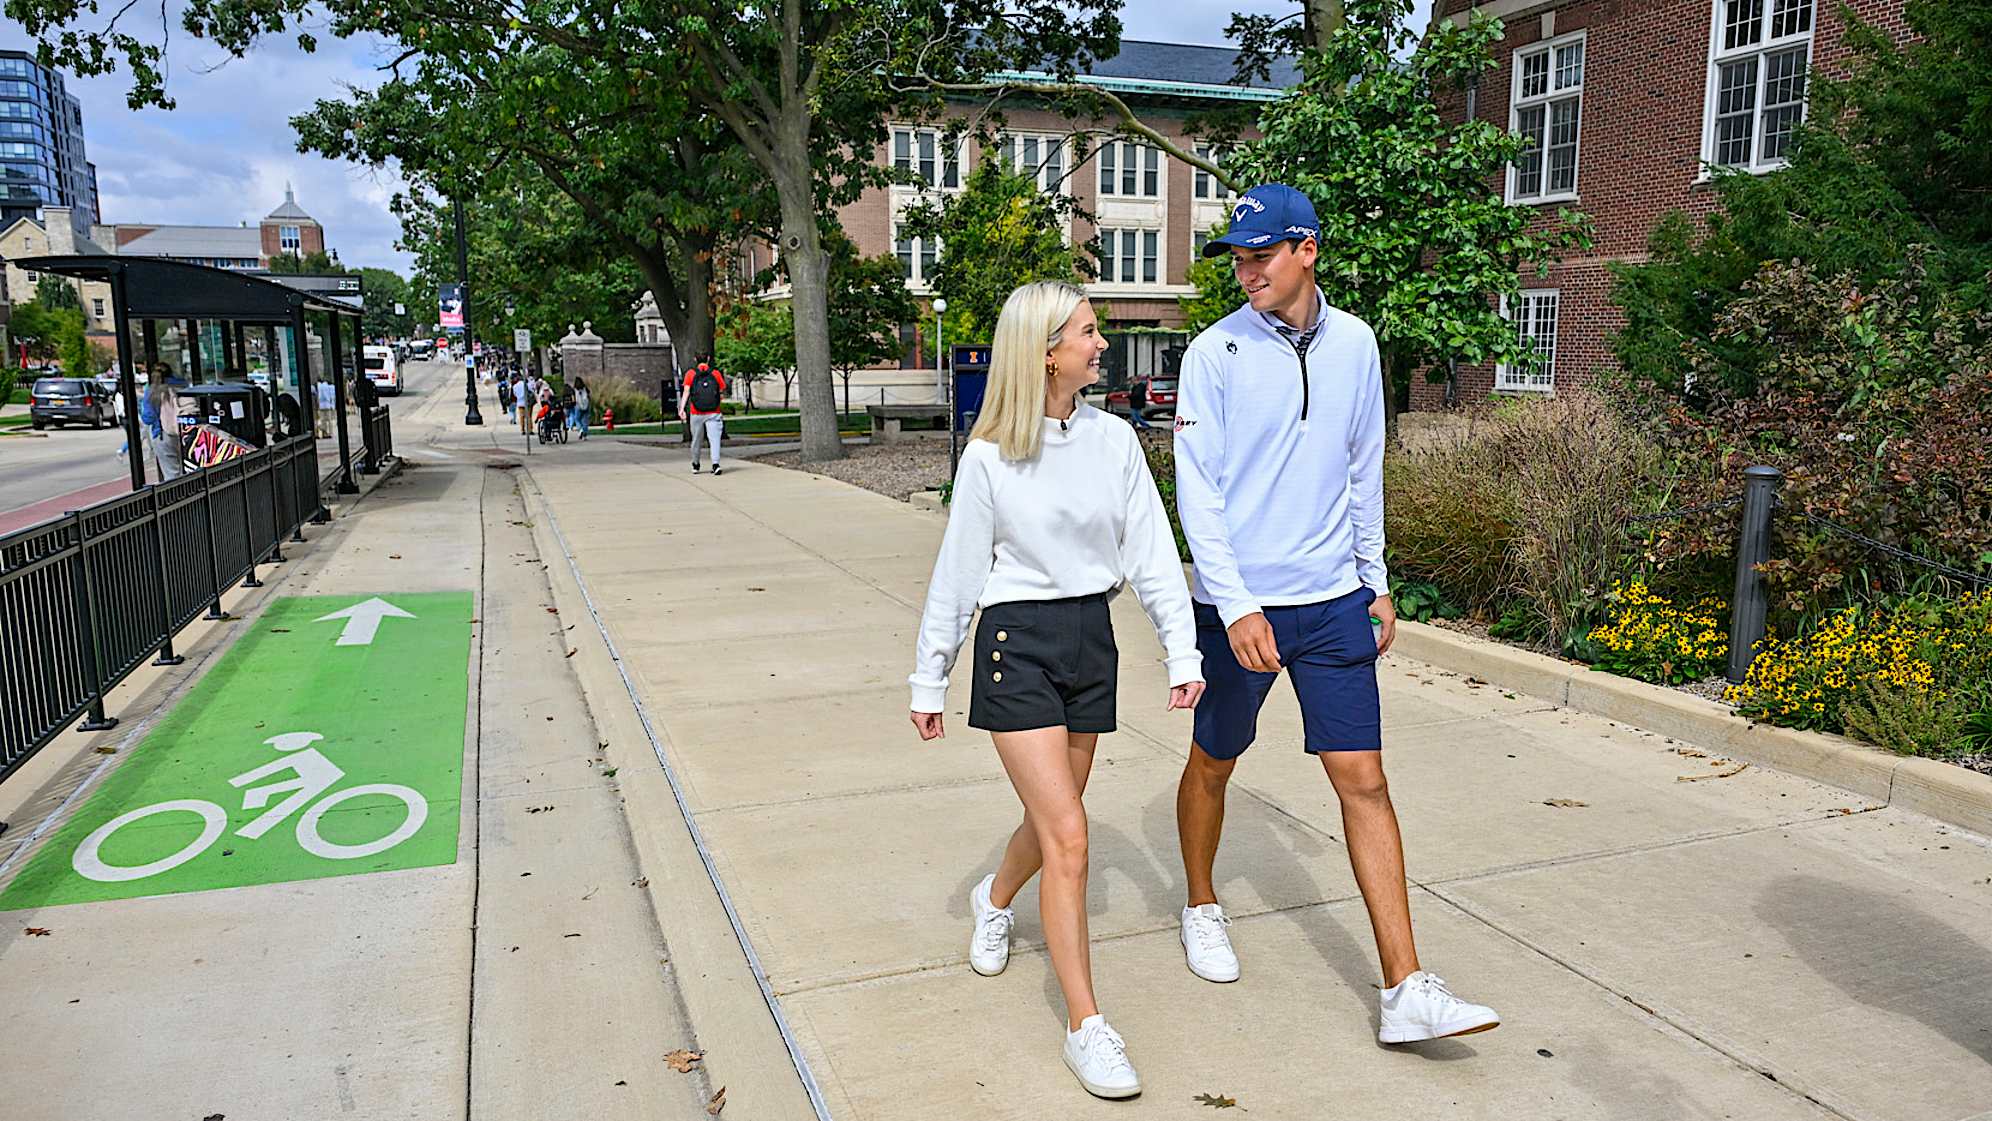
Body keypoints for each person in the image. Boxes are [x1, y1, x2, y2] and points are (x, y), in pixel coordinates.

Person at [1172, 184, 1500, 1044]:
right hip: (1240, 607)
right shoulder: (1214, 352)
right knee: (1215, 759)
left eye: (1261, 256)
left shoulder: (1356, 343)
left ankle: (1405, 987)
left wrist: (1374, 579)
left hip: (1330, 603)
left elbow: (1364, 467)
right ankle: (1201, 903)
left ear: (1307, 249)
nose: (1247, 272)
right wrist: (1236, 604)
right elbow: (1197, 492)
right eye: (1238, 259)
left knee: (1365, 778)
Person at [909, 281, 1204, 1100]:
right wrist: (931, 674)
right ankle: (1087, 1025)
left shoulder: (1114, 440)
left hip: (1090, 640)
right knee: (1070, 832)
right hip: (1018, 644)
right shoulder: (989, 455)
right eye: (1088, 331)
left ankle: (994, 896)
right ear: (1045, 352)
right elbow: (958, 574)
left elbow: (1151, 552)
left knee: (1053, 822)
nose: (1101, 343)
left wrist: (1182, 652)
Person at [680, 355, 727, 475]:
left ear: (695, 359)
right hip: (714, 412)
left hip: (696, 413)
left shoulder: (690, 374)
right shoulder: (716, 374)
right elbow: (721, 392)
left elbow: (686, 392)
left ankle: (696, 464)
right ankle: (715, 464)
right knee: (714, 439)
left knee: (696, 440)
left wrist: (682, 409)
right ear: (708, 358)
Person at [143, 366, 184, 481]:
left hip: (162, 434)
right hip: (183, 432)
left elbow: (148, 418)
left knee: (171, 473)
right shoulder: (180, 386)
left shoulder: (151, 392)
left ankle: (176, 492)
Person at [571, 376, 591, 441]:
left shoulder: (574, 390)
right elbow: (589, 396)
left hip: (578, 406)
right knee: (585, 421)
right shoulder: (585, 388)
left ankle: (580, 429)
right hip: (586, 405)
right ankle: (584, 435)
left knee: (577, 419)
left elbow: (573, 400)